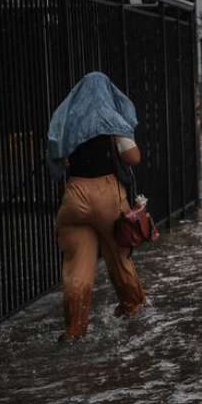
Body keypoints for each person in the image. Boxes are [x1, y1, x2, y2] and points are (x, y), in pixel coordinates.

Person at [47, 72, 147, 340]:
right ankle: (134, 310)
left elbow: (58, 159)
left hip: (74, 196)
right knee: (119, 258)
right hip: (106, 194)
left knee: (77, 267)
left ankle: (75, 329)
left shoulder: (67, 122)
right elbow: (133, 157)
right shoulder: (110, 120)